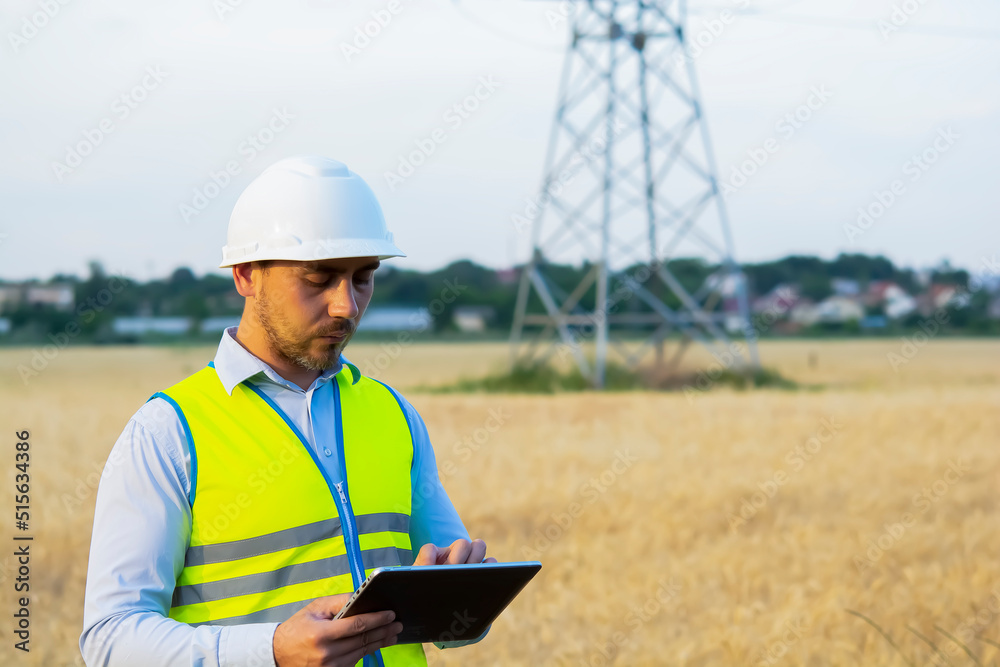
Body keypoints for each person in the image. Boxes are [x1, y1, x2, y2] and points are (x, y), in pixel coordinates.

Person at [80, 155, 496, 667]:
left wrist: (463, 605)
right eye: (319, 279)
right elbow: (109, 639)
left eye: (363, 278)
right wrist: (270, 651)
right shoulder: (168, 432)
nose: (347, 305)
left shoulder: (394, 414)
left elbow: (451, 619)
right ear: (245, 276)